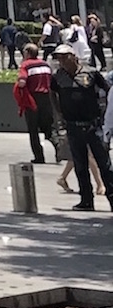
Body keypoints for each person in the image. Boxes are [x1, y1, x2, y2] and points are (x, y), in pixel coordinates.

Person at [51, 49, 113, 212]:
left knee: (104, 164)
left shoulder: (91, 73)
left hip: (93, 125)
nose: (62, 61)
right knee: (80, 164)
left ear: (74, 57)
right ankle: (86, 200)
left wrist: (104, 112)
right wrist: (60, 114)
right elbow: (53, 94)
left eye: (65, 57)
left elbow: (108, 91)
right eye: (59, 58)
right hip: (73, 126)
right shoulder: (58, 77)